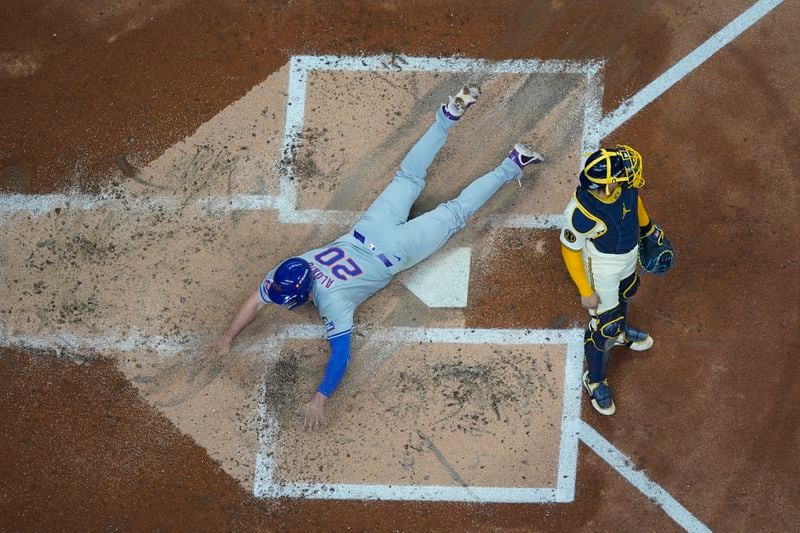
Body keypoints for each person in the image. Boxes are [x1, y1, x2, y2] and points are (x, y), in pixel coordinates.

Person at [200, 85, 544, 428]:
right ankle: (446, 118)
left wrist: (320, 398)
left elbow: (340, 356)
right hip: (372, 227)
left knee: (454, 214)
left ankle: (514, 163)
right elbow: (257, 301)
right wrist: (228, 337)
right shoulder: (292, 266)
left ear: (302, 290)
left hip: (398, 250)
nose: (280, 300)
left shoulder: (331, 302)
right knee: (409, 176)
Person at [559, 145, 669, 416]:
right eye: (620, 176)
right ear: (607, 185)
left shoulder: (625, 188)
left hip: (628, 257)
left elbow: (635, 205)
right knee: (603, 325)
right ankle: (594, 380)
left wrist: (649, 230)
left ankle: (620, 333)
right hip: (602, 268)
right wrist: (585, 290)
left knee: (628, 291)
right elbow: (569, 250)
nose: (629, 175)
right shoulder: (581, 213)